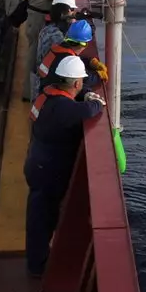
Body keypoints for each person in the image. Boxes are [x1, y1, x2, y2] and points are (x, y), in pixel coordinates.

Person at [25, 54, 104, 277]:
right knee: (42, 219)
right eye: (81, 82)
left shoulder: (46, 94)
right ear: (77, 83)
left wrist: (85, 94)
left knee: (39, 216)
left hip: (37, 163)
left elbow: (73, 105)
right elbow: (90, 110)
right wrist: (95, 99)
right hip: (48, 171)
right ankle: (37, 266)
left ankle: (37, 260)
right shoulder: (63, 108)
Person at [22, 0, 86, 100]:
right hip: (36, 22)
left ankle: (30, 90)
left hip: (36, 20)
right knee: (32, 58)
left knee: (34, 55)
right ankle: (27, 93)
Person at [36, 19, 107, 95]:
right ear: (84, 44)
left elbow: (71, 58)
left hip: (44, 89)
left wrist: (89, 61)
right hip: (52, 96)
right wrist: (99, 75)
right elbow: (85, 79)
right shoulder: (67, 60)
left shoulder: (58, 48)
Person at [34, 0, 79, 90]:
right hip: (48, 84)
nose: (73, 12)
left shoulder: (46, 29)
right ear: (64, 13)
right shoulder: (57, 36)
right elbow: (71, 52)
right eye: (72, 10)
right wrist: (74, 26)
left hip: (41, 79)